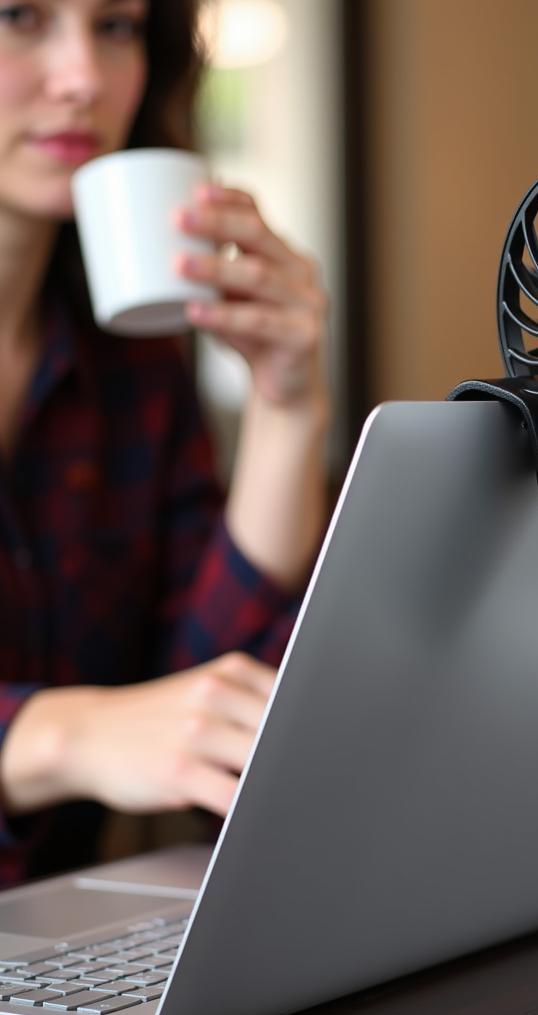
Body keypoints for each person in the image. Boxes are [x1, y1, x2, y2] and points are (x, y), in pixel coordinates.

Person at [0, 0, 330, 883]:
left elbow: (212, 692)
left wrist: (286, 406)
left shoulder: (129, 358)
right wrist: (60, 735)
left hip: (55, 954)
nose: (83, 78)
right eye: (18, 16)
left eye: (116, 27)